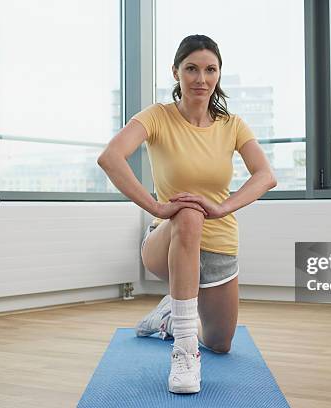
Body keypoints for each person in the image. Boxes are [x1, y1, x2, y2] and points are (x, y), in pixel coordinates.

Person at [97, 34, 277, 394]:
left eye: (210, 70)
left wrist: (223, 207)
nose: (201, 78)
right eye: (191, 69)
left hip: (219, 246)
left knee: (222, 343)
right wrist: (159, 208)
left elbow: (265, 176)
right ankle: (183, 350)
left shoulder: (233, 125)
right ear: (176, 72)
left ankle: (168, 316)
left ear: (219, 75)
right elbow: (111, 157)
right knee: (189, 212)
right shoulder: (157, 117)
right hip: (167, 240)